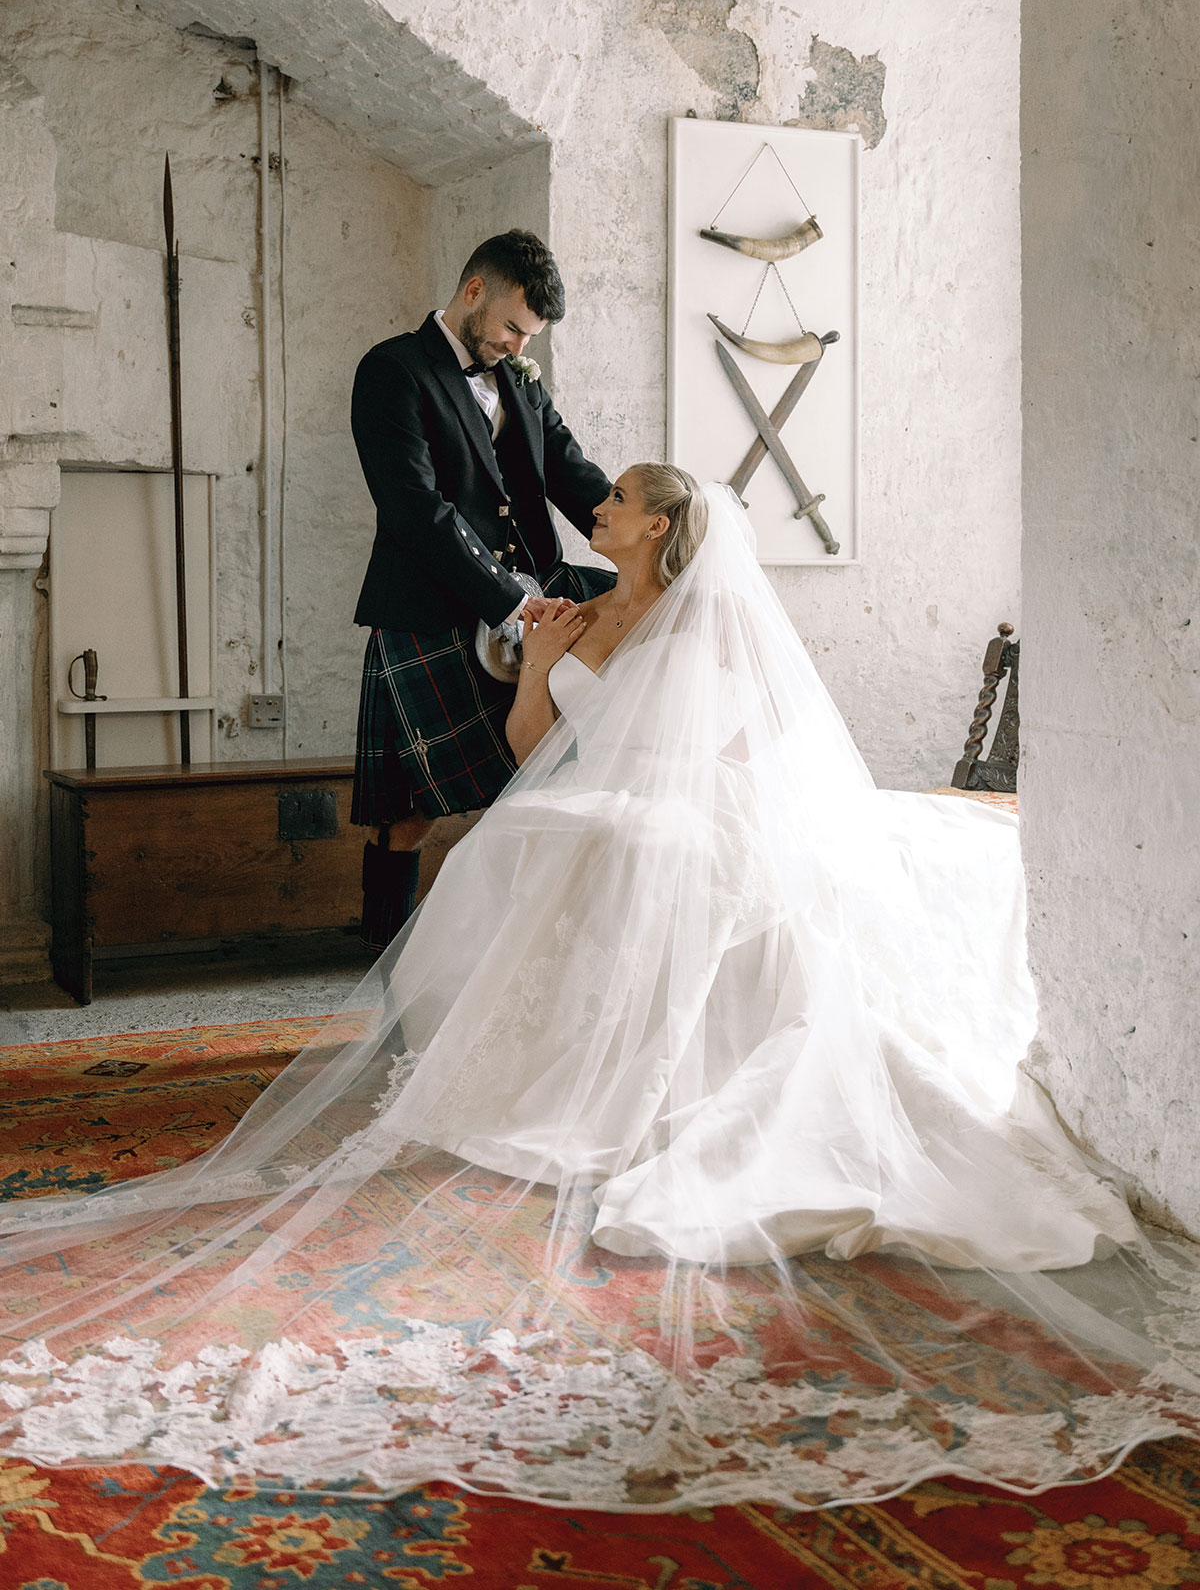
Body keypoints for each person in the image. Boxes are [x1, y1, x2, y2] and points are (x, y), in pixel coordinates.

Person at [1, 468, 1198, 1511]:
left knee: (618, 849)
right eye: (608, 494)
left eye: (620, 496)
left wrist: (651, 788)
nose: (601, 504)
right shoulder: (576, 612)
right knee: (497, 846)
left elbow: (733, 758)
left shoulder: (708, 622)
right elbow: (535, 749)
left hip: (696, 809)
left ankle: (622, 1068)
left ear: (666, 525)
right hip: (588, 793)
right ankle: (509, 1060)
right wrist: (542, 661)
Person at [350, 228, 613, 949]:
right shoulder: (392, 371)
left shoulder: (520, 378)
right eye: (510, 328)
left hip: (533, 598)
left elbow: (571, 472)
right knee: (410, 811)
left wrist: (655, 526)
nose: (518, 347)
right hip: (434, 610)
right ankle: (381, 960)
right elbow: (415, 508)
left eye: (530, 337)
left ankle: (525, 953)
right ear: (474, 292)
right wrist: (507, 600)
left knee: (543, 779)